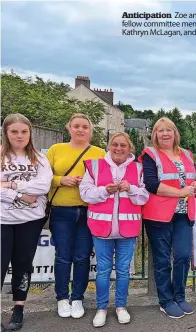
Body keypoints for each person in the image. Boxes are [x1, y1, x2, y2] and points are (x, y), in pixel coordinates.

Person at [79, 132, 149, 327]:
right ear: (109, 146)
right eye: (115, 144)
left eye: (123, 145)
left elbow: (144, 196)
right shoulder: (95, 165)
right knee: (102, 271)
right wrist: (104, 190)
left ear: (129, 149)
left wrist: (131, 188)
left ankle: (121, 306)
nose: (119, 148)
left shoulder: (139, 168)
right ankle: (101, 308)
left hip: (128, 228)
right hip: (102, 227)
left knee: (124, 271)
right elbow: (85, 193)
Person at [138, 117, 196, 318]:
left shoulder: (187, 154)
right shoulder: (150, 154)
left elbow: (195, 178)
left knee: (183, 256)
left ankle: (179, 296)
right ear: (154, 135)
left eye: (168, 130)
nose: (165, 134)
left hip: (184, 214)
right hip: (158, 216)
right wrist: (181, 192)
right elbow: (151, 184)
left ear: (175, 133)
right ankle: (165, 301)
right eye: (160, 130)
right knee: (163, 260)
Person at [45, 113, 106, 319]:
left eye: (85, 127)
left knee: (82, 256)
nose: (80, 130)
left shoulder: (100, 152)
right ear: (69, 128)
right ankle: (62, 298)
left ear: (91, 131)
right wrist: (62, 180)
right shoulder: (56, 150)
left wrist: (89, 184)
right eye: (76, 126)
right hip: (62, 211)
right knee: (63, 255)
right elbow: (42, 176)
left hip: (90, 211)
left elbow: (106, 179)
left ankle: (77, 297)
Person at [1, 114, 53, 331]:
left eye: (24, 131)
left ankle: (19, 308)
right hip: (3, 220)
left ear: (30, 133)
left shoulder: (40, 159)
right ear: (6, 133)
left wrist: (9, 185)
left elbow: (43, 187)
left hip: (30, 221)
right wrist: (20, 194)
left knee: (23, 265)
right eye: (14, 132)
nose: (19, 136)